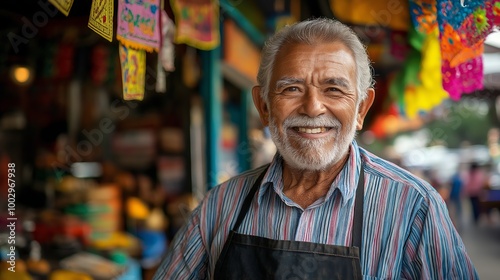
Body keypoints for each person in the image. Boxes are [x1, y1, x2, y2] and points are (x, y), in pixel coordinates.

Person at [153, 18, 478, 279]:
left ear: (361, 109)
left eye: (334, 89)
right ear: (264, 107)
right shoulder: (221, 205)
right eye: (291, 88)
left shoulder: (413, 207)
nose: (312, 107)